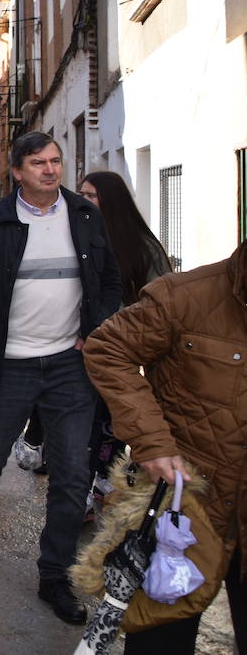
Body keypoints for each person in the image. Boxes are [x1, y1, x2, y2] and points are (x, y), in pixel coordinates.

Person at [0, 132, 121, 626]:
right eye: (38, 162)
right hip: (8, 365)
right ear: (16, 170)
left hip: (68, 366)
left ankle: (54, 574)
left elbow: (109, 282)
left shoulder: (83, 214)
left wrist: (94, 334)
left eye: (56, 161)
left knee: (72, 475)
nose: (50, 170)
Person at [82, 238, 247, 653]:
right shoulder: (185, 294)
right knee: (161, 641)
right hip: (183, 506)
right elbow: (108, 348)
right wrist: (153, 443)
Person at [76, 170, 172, 496]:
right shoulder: (79, 236)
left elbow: (160, 300)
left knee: (114, 417)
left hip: (124, 350)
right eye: (82, 195)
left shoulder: (143, 247)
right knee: (85, 419)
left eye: (91, 195)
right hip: (83, 344)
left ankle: (106, 477)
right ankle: (84, 485)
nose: (84, 201)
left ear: (110, 200)